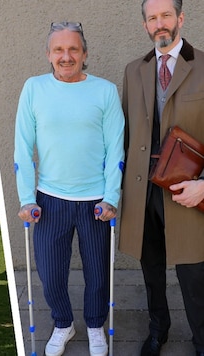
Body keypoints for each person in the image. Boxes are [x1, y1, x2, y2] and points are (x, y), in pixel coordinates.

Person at [14, 21, 124, 356]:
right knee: (50, 272)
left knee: (98, 273)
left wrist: (112, 197)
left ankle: (94, 326)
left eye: (73, 49)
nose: (66, 56)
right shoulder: (34, 88)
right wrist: (25, 199)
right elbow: (22, 147)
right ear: (49, 54)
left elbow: (115, 149)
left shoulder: (104, 91)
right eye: (59, 49)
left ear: (84, 53)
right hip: (50, 200)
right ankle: (63, 323)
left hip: (94, 201)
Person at [119, 1, 204, 355]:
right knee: (151, 269)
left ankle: (202, 339)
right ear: (145, 25)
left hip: (187, 187)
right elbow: (125, 133)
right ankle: (159, 330)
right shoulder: (133, 70)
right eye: (152, 18)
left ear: (180, 18)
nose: (159, 23)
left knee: (194, 274)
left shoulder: (203, 65)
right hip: (143, 190)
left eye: (166, 15)